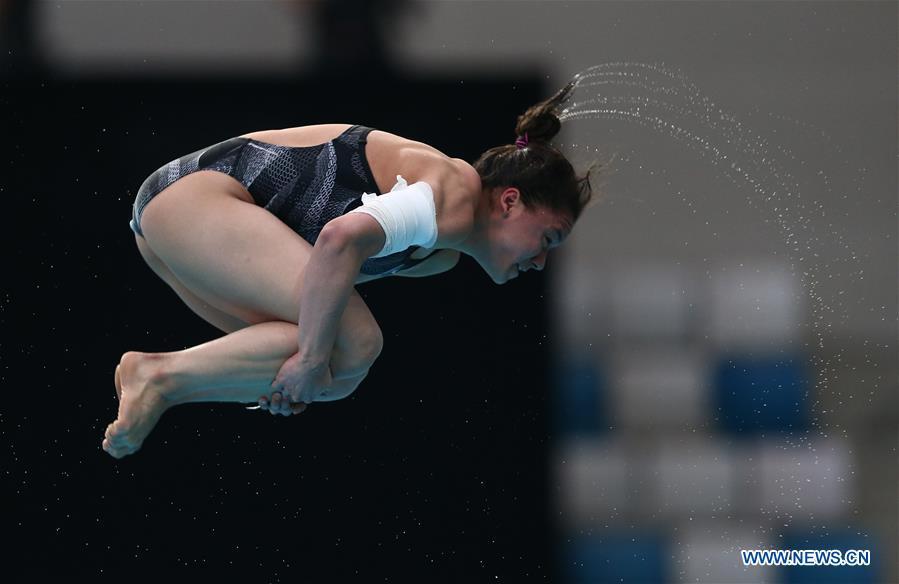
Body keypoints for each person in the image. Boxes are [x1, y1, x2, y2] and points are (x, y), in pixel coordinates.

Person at [103, 81, 598, 459]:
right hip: (194, 198)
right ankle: (158, 376)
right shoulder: (454, 196)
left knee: (338, 373)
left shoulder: (439, 255)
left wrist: (304, 369)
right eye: (547, 239)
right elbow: (339, 239)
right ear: (510, 202)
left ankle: (159, 376)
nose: (540, 262)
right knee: (352, 345)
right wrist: (312, 360)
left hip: (170, 226)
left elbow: (320, 291)